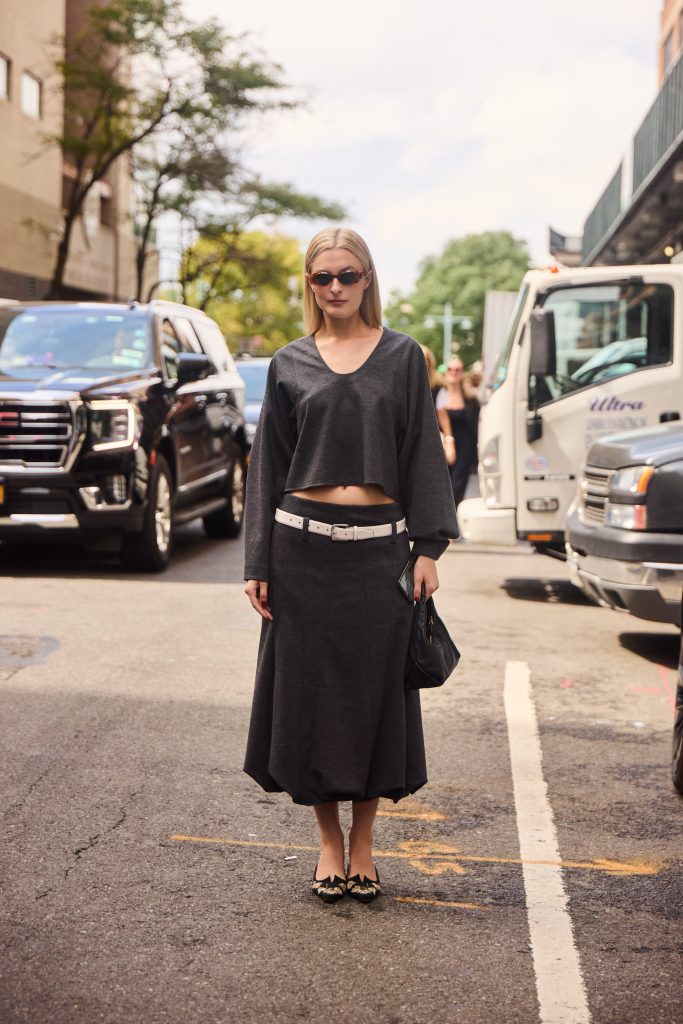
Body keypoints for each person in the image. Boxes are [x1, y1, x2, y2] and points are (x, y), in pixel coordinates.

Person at [243, 227, 458, 904]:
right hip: (299, 552)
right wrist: (257, 559)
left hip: (377, 554)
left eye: (347, 275)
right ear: (308, 285)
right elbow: (266, 469)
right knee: (306, 700)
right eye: (321, 278)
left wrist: (427, 548)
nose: (334, 287)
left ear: (367, 279)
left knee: (371, 700)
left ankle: (363, 844)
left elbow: (423, 452)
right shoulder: (288, 364)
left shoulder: (402, 358)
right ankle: (327, 842)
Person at [435, 357, 480, 521]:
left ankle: (451, 522)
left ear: (462, 373)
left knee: (458, 484)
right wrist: (448, 441)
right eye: (450, 369)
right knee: (443, 485)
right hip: (443, 445)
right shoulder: (438, 393)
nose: (453, 373)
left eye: (457, 369)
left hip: (465, 447)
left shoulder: (470, 399)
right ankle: (443, 520)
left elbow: (475, 426)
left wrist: (476, 456)